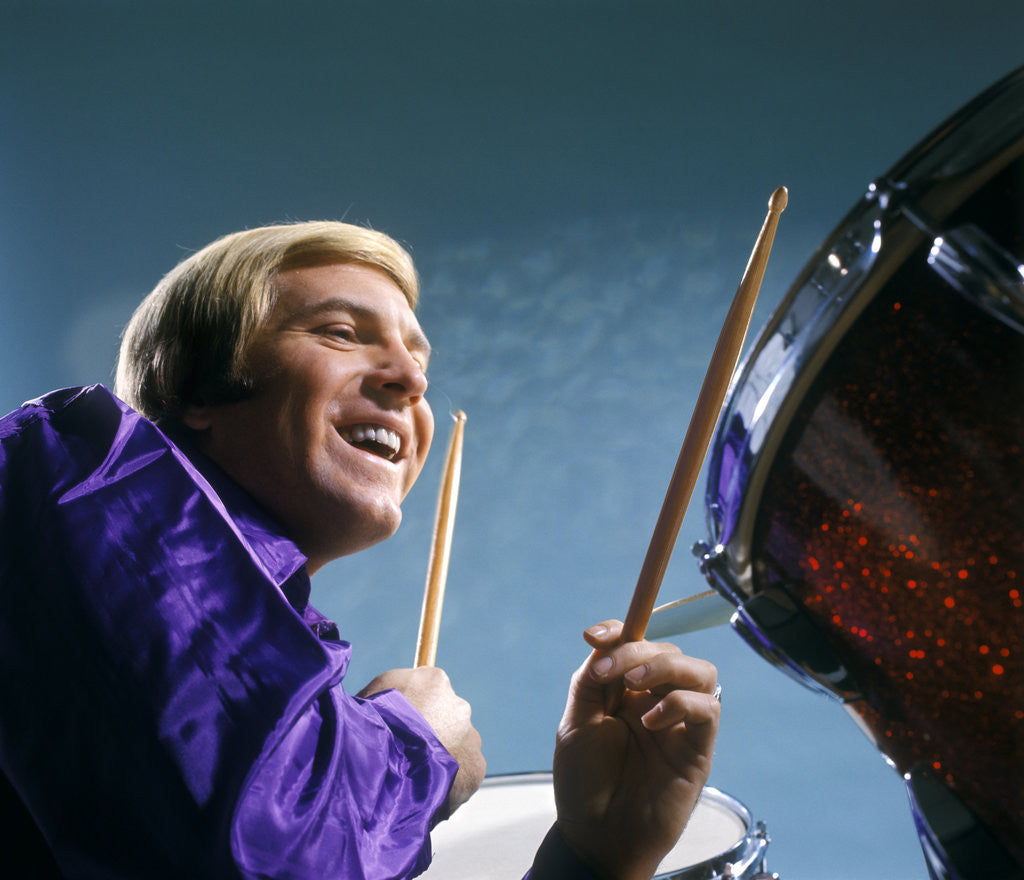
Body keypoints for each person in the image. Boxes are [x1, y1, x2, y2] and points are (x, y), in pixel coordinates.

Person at [0, 221, 720, 879]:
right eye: (341, 333)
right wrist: (415, 749)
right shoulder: (85, 475)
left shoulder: (290, 698)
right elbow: (268, 860)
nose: (411, 379)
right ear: (197, 390)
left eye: (417, 357)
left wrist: (596, 854)